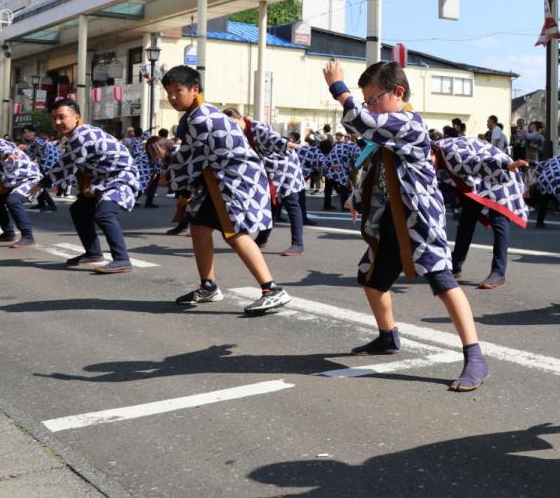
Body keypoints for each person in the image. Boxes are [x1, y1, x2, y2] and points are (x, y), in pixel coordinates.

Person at [322, 60, 489, 391]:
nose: (370, 106)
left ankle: (475, 356)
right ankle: (388, 336)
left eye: (374, 99)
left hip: (419, 216)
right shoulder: (387, 127)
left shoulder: (409, 123)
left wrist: (338, 89)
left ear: (397, 92)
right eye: (366, 100)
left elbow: (362, 122)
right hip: (391, 218)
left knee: (442, 279)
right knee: (371, 278)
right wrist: (356, 197)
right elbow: (374, 166)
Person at [153, 66, 291, 315]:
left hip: (234, 183)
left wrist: (170, 177)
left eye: (178, 91)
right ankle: (208, 285)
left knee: (233, 232)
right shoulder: (200, 113)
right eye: (169, 92)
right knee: (199, 228)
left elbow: (192, 158)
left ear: (195, 90)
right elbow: (192, 156)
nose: (172, 97)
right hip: (221, 182)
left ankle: (272, 289)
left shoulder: (201, 118)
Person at [38, 99, 140, 273]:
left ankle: (122, 259)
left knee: (104, 213)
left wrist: (43, 182)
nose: (57, 122)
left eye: (62, 117)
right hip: (102, 181)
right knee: (79, 209)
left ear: (76, 117)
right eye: (54, 118)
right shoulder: (75, 136)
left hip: (121, 177)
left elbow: (68, 165)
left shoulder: (82, 134)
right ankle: (93, 253)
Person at [435, 126, 528, 289]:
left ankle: (498, 272)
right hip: (478, 181)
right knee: (466, 221)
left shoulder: (450, 153)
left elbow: (478, 161)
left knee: (499, 219)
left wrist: (506, 165)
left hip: (499, 173)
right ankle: (455, 265)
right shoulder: (433, 152)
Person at [222, 109, 307, 256]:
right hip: (271, 171)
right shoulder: (240, 133)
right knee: (270, 206)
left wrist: (296, 146)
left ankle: (297, 244)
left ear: (238, 118)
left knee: (292, 204)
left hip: (286, 168)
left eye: (231, 122)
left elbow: (277, 140)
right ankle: (262, 240)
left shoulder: (256, 127)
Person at [20, 126, 59, 212]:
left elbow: (36, 155)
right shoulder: (32, 143)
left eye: (29, 132)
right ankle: (42, 203)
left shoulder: (38, 142)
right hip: (42, 165)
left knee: (40, 184)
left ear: (34, 133)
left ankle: (51, 205)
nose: (27, 134)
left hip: (46, 165)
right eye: (25, 133)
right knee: (38, 183)